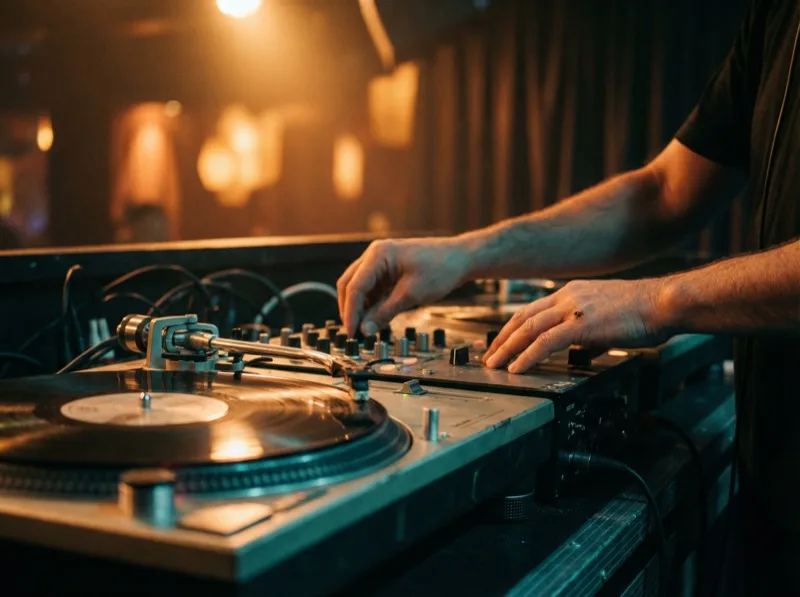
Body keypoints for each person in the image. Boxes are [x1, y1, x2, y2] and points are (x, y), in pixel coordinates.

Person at [337, 2, 800, 594]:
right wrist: (465, 253)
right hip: (774, 496)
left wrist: (653, 302)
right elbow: (663, 194)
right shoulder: (776, 15)